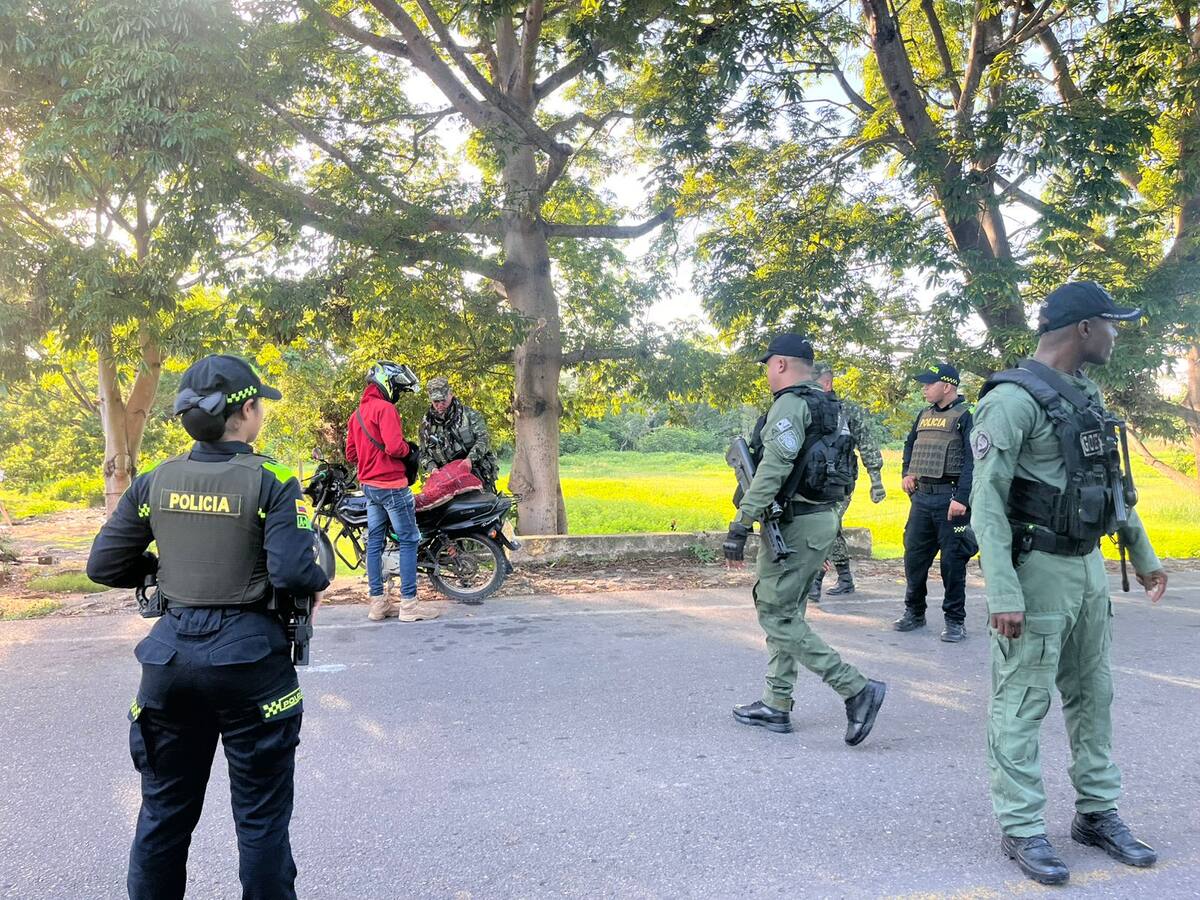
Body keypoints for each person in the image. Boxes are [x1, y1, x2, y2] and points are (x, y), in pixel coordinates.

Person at [86, 354, 330, 900]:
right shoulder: (274, 480)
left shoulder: (154, 481)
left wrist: (162, 570)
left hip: (167, 666)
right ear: (245, 411)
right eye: (259, 403)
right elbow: (296, 571)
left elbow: (104, 565)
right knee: (261, 824)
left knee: (164, 816)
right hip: (251, 668)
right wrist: (314, 576)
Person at [971, 282, 1166, 886]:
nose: (1116, 334)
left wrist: (1142, 550)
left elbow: (1108, 483)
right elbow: (987, 501)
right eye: (1111, 323)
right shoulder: (1010, 399)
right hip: (1036, 571)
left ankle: (1097, 813)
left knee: (1094, 696)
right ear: (1083, 328)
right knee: (1023, 699)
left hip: (1087, 569)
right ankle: (1023, 825)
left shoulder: (1085, 394)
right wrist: (1002, 589)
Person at [724, 333, 886, 744]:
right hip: (821, 519)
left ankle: (855, 688)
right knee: (788, 612)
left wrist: (740, 524)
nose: (766, 373)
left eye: (767, 366)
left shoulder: (791, 405)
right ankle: (776, 703)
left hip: (795, 524)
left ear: (779, 364)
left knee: (775, 614)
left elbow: (772, 471)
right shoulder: (829, 406)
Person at [346, 360, 436, 623]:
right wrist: (410, 451)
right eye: (396, 388)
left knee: (374, 543)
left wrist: (369, 460)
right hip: (392, 487)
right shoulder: (385, 410)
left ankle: (378, 605)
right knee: (408, 539)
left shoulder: (357, 415)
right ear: (386, 385)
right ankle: (409, 605)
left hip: (370, 489)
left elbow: (351, 453)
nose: (396, 393)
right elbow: (395, 448)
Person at [894, 362, 976, 642]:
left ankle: (955, 621)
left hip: (951, 499)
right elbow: (910, 445)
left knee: (952, 562)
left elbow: (972, 461)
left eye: (929, 384)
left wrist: (962, 499)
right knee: (914, 558)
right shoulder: (924, 415)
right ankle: (914, 612)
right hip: (922, 498)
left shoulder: (966, 416)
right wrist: (908, 472)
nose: (924, 388)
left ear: (948, 386)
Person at [808, 361, 886, 601]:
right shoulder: (806, 408)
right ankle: (845, 578)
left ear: (827, 382)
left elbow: (867, 444)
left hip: (840, 482)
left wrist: (876, 480)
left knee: (826, 527)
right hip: (812, 482)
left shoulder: (848, 410)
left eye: (814, 381)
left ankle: (814, 584)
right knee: (831, 528)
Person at [418, 376, 500, 494]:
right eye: (436, 401)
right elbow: (423, 454)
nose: (440, 404)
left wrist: (469, 460)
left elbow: (484, 440)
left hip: (476, 474)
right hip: (446, 481)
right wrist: (433, 468)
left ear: (450, 394)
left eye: (443, 400)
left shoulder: (470, 415)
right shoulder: (426, 425)